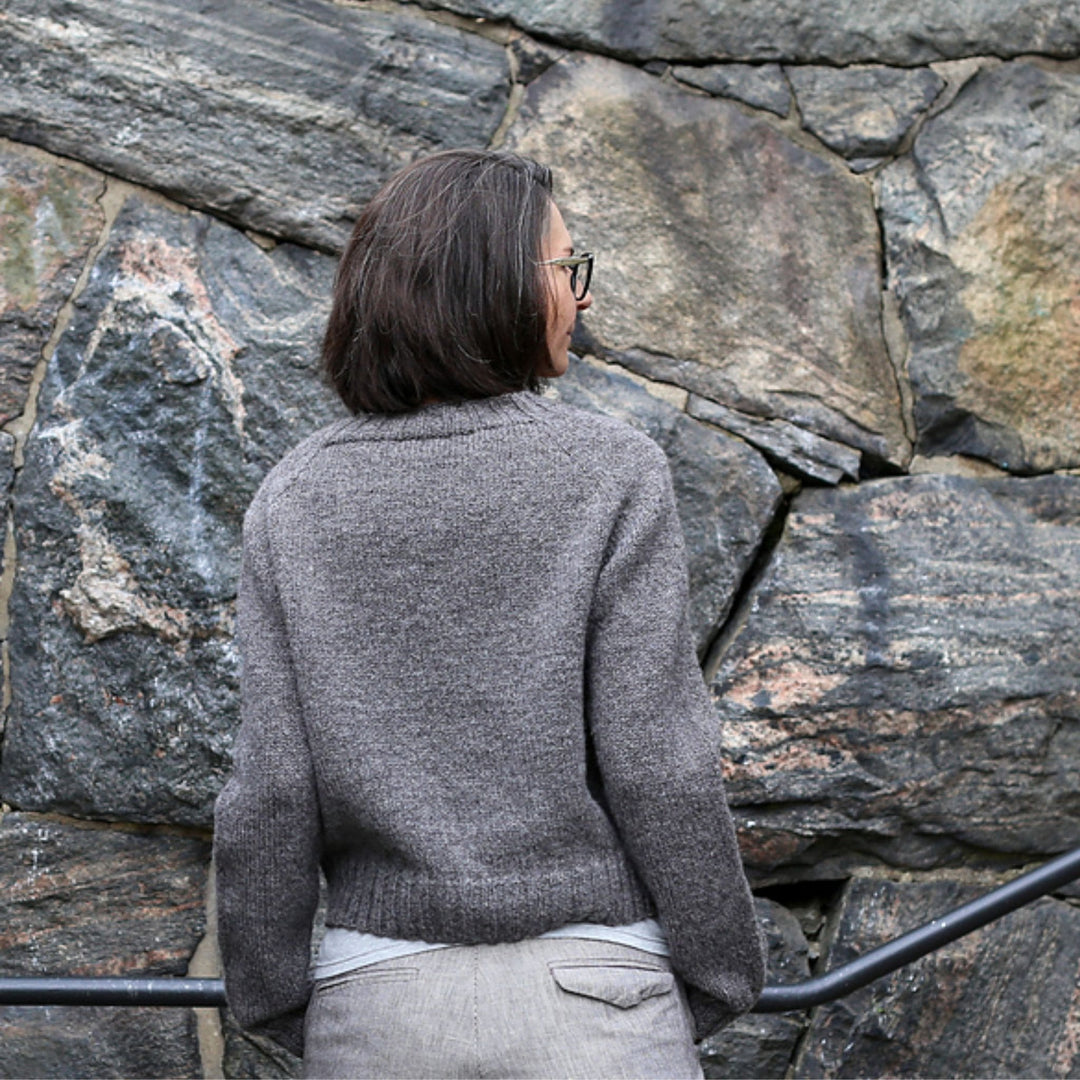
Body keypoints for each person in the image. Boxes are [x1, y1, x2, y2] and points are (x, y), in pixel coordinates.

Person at [213, 148, 765, 1080]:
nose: (582, 296)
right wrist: (719, 971)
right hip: (598, 1001)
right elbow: (659, 761)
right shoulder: (610, 472)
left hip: (379, 1008)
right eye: (566, 266)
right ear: (492, 282)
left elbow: (270, 792)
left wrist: (271, 995)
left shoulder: (295, 498)